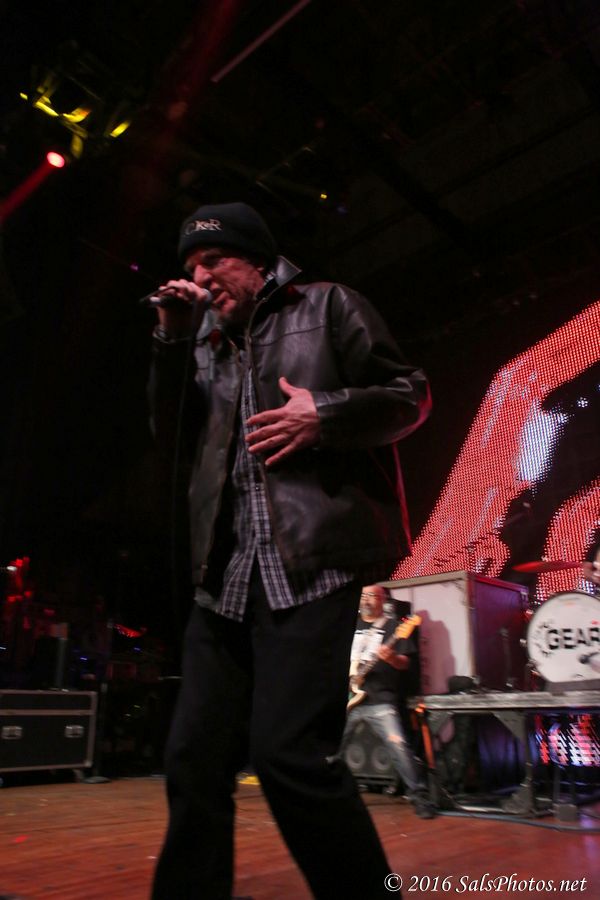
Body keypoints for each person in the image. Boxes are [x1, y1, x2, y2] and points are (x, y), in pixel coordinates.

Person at [147, 202, 431, 900]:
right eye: (190, 267)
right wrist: (172, 341)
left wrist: (323, 413)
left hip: (308, 564)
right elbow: (171, 441)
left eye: (213, 261)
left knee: (289, 758)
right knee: (192, 758)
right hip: (223, 573)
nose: (200, 277)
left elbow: (409, 394)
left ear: (256, 260)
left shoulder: (329, 306)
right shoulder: (201, 341)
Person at [341, 584, 435, 819]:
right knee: (333, 748)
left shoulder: (393, 627)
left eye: (372, 596)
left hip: (380, 699)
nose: (366, 600)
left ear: (383, 600)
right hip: (349, 699)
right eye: (363, 595)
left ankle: (419, 797)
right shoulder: (349, 626)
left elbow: (405, 663)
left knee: (399, 747)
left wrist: (392, 657)